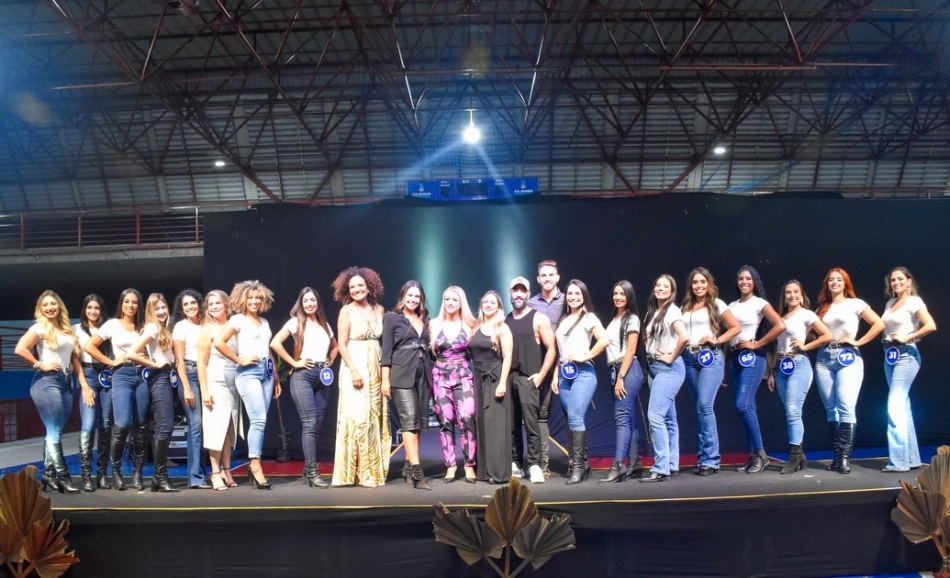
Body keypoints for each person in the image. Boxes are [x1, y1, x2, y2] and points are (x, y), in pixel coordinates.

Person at [16, 291, 88, 494]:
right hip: (46, 381)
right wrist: (39, 364)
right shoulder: (39, 327)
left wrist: (81, 382)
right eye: (45, 305)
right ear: (40, 309)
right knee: (55, 430)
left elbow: (74, 358)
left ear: (59, 306)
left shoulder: (66, 330)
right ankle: (63, 476)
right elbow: (20, 348)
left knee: (54, 430)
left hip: (66, 382)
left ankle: (48, 474)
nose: (50, 308)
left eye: (53, 304)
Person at [814, 267, 885, 474]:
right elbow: (813, 333)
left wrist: (858, 342)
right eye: (831, 280)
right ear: (827, 284)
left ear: (846, 283)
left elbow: (878, 323)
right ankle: (837, 456)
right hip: (824, 357)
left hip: (848, 356)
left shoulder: (856, 304)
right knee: (831, 408)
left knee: (846, 405)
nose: (835, 283)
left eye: (839, 279)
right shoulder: (822, 309)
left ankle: (845, 457)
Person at [271, 287, 339, 488]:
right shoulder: (295, 322)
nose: (309, 303)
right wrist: (294, 362)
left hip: (323, 377)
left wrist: (330, 360)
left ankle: (308, 470)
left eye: (312, 300)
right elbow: (275, 343)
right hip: (303, 376)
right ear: (301, 303)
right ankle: (311, 470)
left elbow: (335, 347)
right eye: (306, 300)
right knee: (309, 423)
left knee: (316, 426)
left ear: (318, 302)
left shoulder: (325, 324)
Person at [215, 280, 280, 490]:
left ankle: (254, 465)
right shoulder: (238, 320)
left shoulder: (265, 322)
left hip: (266, 373)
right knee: (258, 419)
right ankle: (255, 465)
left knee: (260, 420)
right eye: (250, 298)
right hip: (248, 372)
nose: (254, 301)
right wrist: (239, 360)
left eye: (258, 298)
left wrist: (275, 376)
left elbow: (267, 350)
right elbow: (219, 342)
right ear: (243, 300)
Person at [83, 288, 148, 491]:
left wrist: (149, 358)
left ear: (139, 305)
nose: (131, 305)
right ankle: (116, 472)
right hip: (122, 375)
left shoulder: (144, 326)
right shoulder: (112, 324)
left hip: (143, 375)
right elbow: (89, 346)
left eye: (135, 302)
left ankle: (137, 473)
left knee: (141, 426)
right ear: (121, 303)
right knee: (122, 424)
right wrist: (110, 361)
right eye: (127, 301)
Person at [330, 266, 389, 487]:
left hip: (375, 365)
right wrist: (354, 370)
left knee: (373, 416)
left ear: (369, 287)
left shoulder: (379, 310)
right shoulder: (346, 311)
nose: (356, 289)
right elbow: (342, 344)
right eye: (352, 287)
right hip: (355, 365)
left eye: (360, 285)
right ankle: (354, 472)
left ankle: (371, 471)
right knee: (357, 417)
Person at [766, 280, 833, 474]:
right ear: (784, 296)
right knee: (790, 412)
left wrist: (806, 346)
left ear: (801, 295)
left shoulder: (807, 314)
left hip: (799, 364)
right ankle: (800, 455)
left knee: (793, 410)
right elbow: (777, 346)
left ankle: (794, 456)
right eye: (788, 292)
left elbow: (827, 335)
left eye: (796, 292)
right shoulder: (781, 317)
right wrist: (772, 372)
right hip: (781, 367)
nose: (792, 295)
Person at [680, 268, 740, 476]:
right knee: (699, 408)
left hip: (709, 356)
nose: (699, 286)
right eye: (695, 282)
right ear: (691, 285)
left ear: (709, 284)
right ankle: (703, 456)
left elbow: (735, 327)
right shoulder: (685, 307)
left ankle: (711, 459)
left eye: (703, 282)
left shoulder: (716, 304)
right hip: (689, 358)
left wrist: (716, 340)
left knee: (705, 405)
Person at [727, 266, 786, 474]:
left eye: (748, 278)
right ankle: (755, 456)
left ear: (755, 282)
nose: (744, 282)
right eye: (741, 278)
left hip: (752, 358)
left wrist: (757, 343)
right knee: (748, 407)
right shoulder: (732, 305)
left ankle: (761, 454)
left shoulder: (759, 303)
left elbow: (780, 325)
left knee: (742, 405)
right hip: (735, 358)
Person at [551, 280, 609, 485]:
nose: (573, 297)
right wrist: (556, 375)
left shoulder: (589, 317)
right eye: (570, 293)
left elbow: (604, 340)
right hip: (565, 374)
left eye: (577, 293)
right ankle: (583, 463)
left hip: (584, 372)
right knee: (570, 418)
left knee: (576, 416)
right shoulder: (563, 319)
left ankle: (577, 466)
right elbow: (559, 351)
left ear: (584, 296)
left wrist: (585, 355)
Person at [880, 267, 936, 472]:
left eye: (900, 279)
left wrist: (908, 337)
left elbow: (930, 325)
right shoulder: (890, 304)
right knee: (902, 407)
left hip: (907, 355)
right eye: (893, 280)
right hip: (890, 355)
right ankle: (911, 459)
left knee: (894, 405)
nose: (896, 283)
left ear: (909, 281)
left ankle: (898, 461)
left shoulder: (914, 301)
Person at [381, 281, 433, 490]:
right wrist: (385, 379)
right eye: (410, 295)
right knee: (409, 420)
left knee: (418, 422)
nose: (413, 299)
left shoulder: (425, 319)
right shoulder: (392, 318)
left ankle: (408, 466)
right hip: (402, 373)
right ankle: (418, 473)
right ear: (403, 296)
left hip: (424, 372)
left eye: (417, 296)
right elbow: (386, 351)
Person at [505, 277, 556, 484]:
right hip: (509, 379)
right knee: (512, 424)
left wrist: (541, 375)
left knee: (531, 424)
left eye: (522, 290)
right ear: (510, 293)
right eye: (515, 290)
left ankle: (534, 465)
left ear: (527, 294)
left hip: (529, 378)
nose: (518, 294)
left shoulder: (539, 318)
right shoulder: (505, 320)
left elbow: (552, 348)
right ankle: (516, 463)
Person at [127, 293, 180, 493]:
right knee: (165, 427)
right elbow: (131, 353)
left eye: (163, 307)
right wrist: (154, 364)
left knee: (164, 427)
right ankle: (159, 476)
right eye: (156, 308)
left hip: (168, 376)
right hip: (160, 377)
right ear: (150, 311)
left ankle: (159, 477)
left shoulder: (164, 328)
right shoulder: (152, 328)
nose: (161, 311)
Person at [640, 275, 688, 483]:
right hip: (654, 368)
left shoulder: (673, 310)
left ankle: (660, 467)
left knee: (655, 416)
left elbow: (684, 337)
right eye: (658, 285)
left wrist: (671, 356)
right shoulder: (652, 311)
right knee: (668, 418)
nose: (660, 288)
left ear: (671, 291)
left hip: (669, 368)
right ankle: (671, 464)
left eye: (665, 286)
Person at [429, 286, 477, 483]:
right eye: (447, 299)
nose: (450, 302)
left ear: (461, 302)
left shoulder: (470, 325)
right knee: (445, 420)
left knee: (467, 418)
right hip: (440, 376)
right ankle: (450, 465)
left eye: (454, 299)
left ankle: (469, 465)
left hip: (463, 375)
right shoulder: (434, 324)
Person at [601, 280, 646, 482]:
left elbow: (631, 349)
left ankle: (618, 465)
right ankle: (634, 462)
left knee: (621, 416)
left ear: (629, 296)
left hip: (627, 370)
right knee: (629, 418)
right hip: (615, 369)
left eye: (622, 294)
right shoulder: (614, 318)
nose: (618, 297)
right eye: (615, 293)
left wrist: (620, 377)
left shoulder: (632, 318)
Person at [197, 290, 240, 491]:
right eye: (210, 304)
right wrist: (204, 390)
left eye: (218, 303)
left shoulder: (234, 327)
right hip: (215, 382)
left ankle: (226, 470)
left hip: (234, 383)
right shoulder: (208, 330)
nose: (214, 307)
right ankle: (215, 472)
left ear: (226, 305)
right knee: (215, 428)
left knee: (229, 429)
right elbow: (201, 363)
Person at [472, 290, 514, 484]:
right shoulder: (476, 327)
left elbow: (508, 356)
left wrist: (502, 382)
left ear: (498, 307)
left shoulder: (502, 328)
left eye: (493, 302)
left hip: (495, 378)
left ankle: (498, 472)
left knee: (495, 425)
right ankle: (484, 471)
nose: (488, 305)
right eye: (485, 302)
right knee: (482, 424)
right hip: (478, 378)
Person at [527, 260, 564, 478]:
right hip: (538, 367)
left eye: (551, 275)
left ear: (557, 277)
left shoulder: (568, 301)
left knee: (572, 415)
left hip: (565, 367)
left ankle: (577, 462)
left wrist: (557, 372)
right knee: (540, 415)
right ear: (538, 279)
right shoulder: (531, 304)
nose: (547, 278)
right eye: (544, 275)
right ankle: (543, 463)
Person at [72, 294, 112, 491]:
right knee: (88, 425)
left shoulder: (108, 327)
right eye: (89, 307)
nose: (93, 311)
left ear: (101, 310)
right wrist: (84, 386)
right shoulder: (76, 330)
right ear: (84, 309)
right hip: (87, 375)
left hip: (107, 376)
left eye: (96, 308)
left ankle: (102, 474)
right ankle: (86, 475)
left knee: (105, 425)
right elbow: (75, 359)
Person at [172, 289, 209, 489]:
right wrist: (186, 387)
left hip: (208, 374)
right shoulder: (181, 326)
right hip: (190, 375)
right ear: (181, 308)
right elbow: (179, 359)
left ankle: (204, 473)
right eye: (185, 304)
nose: (189, 307)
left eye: (192, 303)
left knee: (205, 427)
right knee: (196, 425)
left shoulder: (207, 324)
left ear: (199, 303)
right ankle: (195, 477)